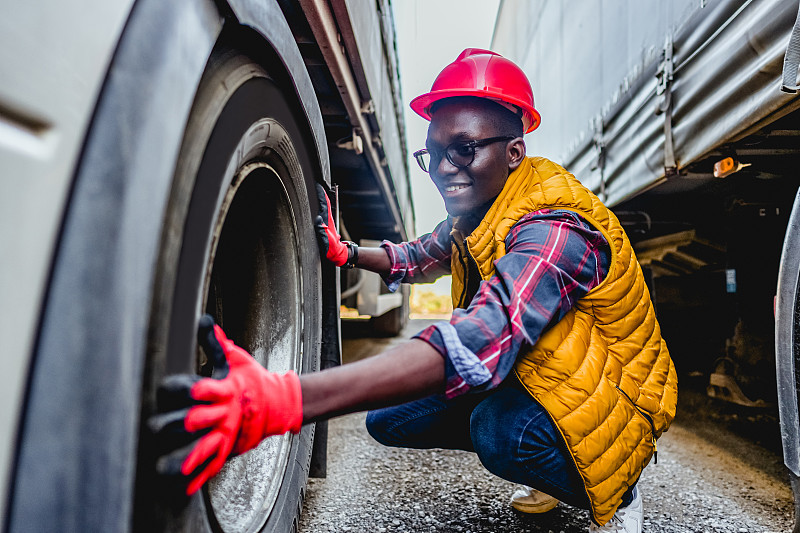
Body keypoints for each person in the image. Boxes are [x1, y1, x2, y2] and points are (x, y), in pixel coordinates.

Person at [150, 49, 678, 533]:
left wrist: (289, 399)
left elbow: (486, 335)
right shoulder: (481, 210)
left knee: (498, 432)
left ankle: (618, 486)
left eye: (464, 149)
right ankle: (540, 443)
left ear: (515, 151)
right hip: (550, 377)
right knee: (389, 418)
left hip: (620, 401)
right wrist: (348, 253)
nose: (445, 170)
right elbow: (422, 255)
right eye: (435, 154)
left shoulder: (557, 227)